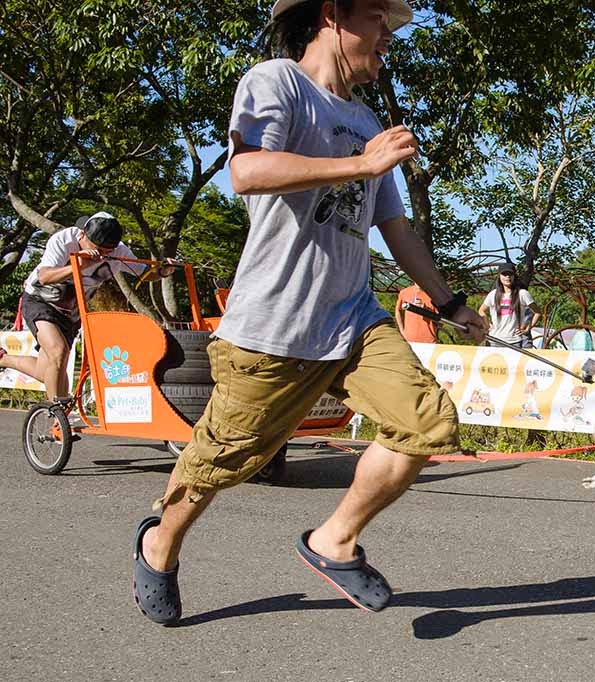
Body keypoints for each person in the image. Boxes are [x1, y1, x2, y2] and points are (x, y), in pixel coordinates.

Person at [130, 0, 485, 625]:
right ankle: (160, 543)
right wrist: (362, 162)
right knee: (218, 465)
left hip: (352, 319)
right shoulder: (276, 82)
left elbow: (395, 230)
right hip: (273, 325)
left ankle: (334, 540)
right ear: (332, 15)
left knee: (426, 422)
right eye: (376, 18)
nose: (386, 35)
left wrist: (449, 301)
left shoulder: (365, 117)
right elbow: (246, 171)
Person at [0, 212, 175, 405]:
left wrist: (162, 271)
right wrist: (79, 265)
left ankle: (3, 360)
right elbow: (44, 277)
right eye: (97, 249)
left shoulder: (119, 251)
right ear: (82, 235)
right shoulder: (64, 240)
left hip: (72, 311)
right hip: (41, 300)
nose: (102, 255)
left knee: (47, 371)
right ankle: (58, 417)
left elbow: (145, 273)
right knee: (58, 352)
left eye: (108, 251)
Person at [478, 262, 540, 348]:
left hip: (514, 341)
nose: (507, 277)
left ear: (514, 276)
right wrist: (487, 325)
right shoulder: (493, 294)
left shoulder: (522, 294)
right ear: (499, 276)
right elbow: (481, 310)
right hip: (494, 340)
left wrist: (528, 328)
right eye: (504, 274)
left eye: (510, 274)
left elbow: (537, 312)